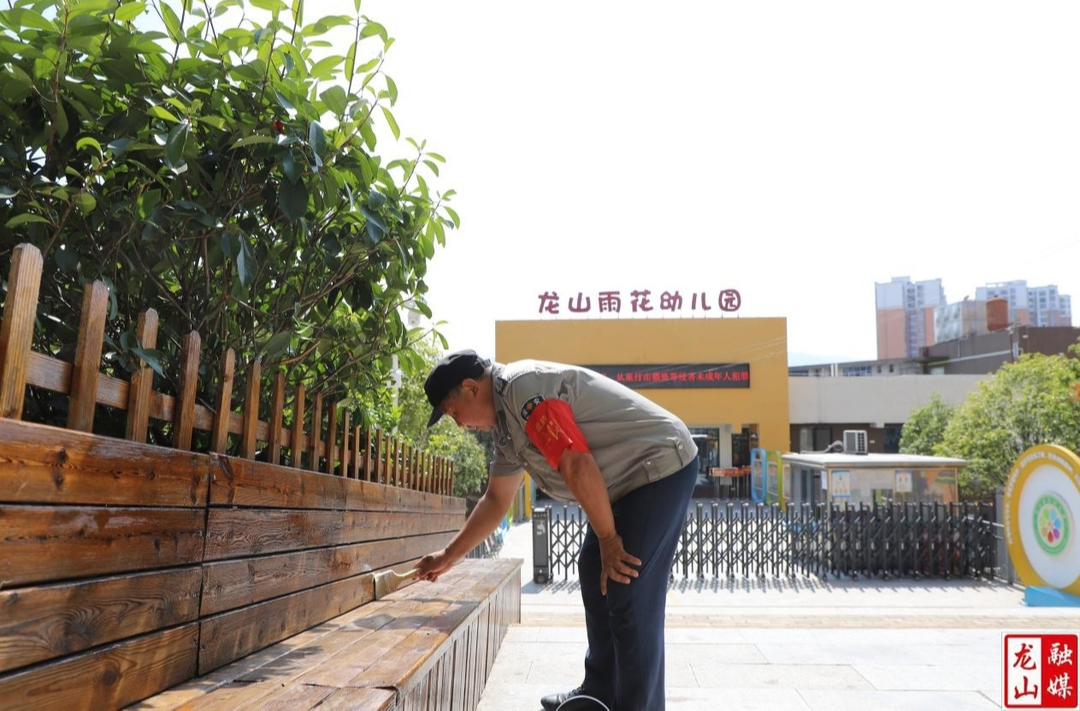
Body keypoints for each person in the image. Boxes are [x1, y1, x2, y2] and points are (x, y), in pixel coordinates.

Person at [413, 350, 699, 711]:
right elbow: (496, 500)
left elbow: (576, 463)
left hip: (660, 465)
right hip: (624, 481)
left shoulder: (523, 390)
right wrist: (448, 556)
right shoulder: (505, 429)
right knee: (594, 569)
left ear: (471, 388)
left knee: (628, 588)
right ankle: (600, 691)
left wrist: (611, 540)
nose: (459, 424)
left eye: (454, 413)